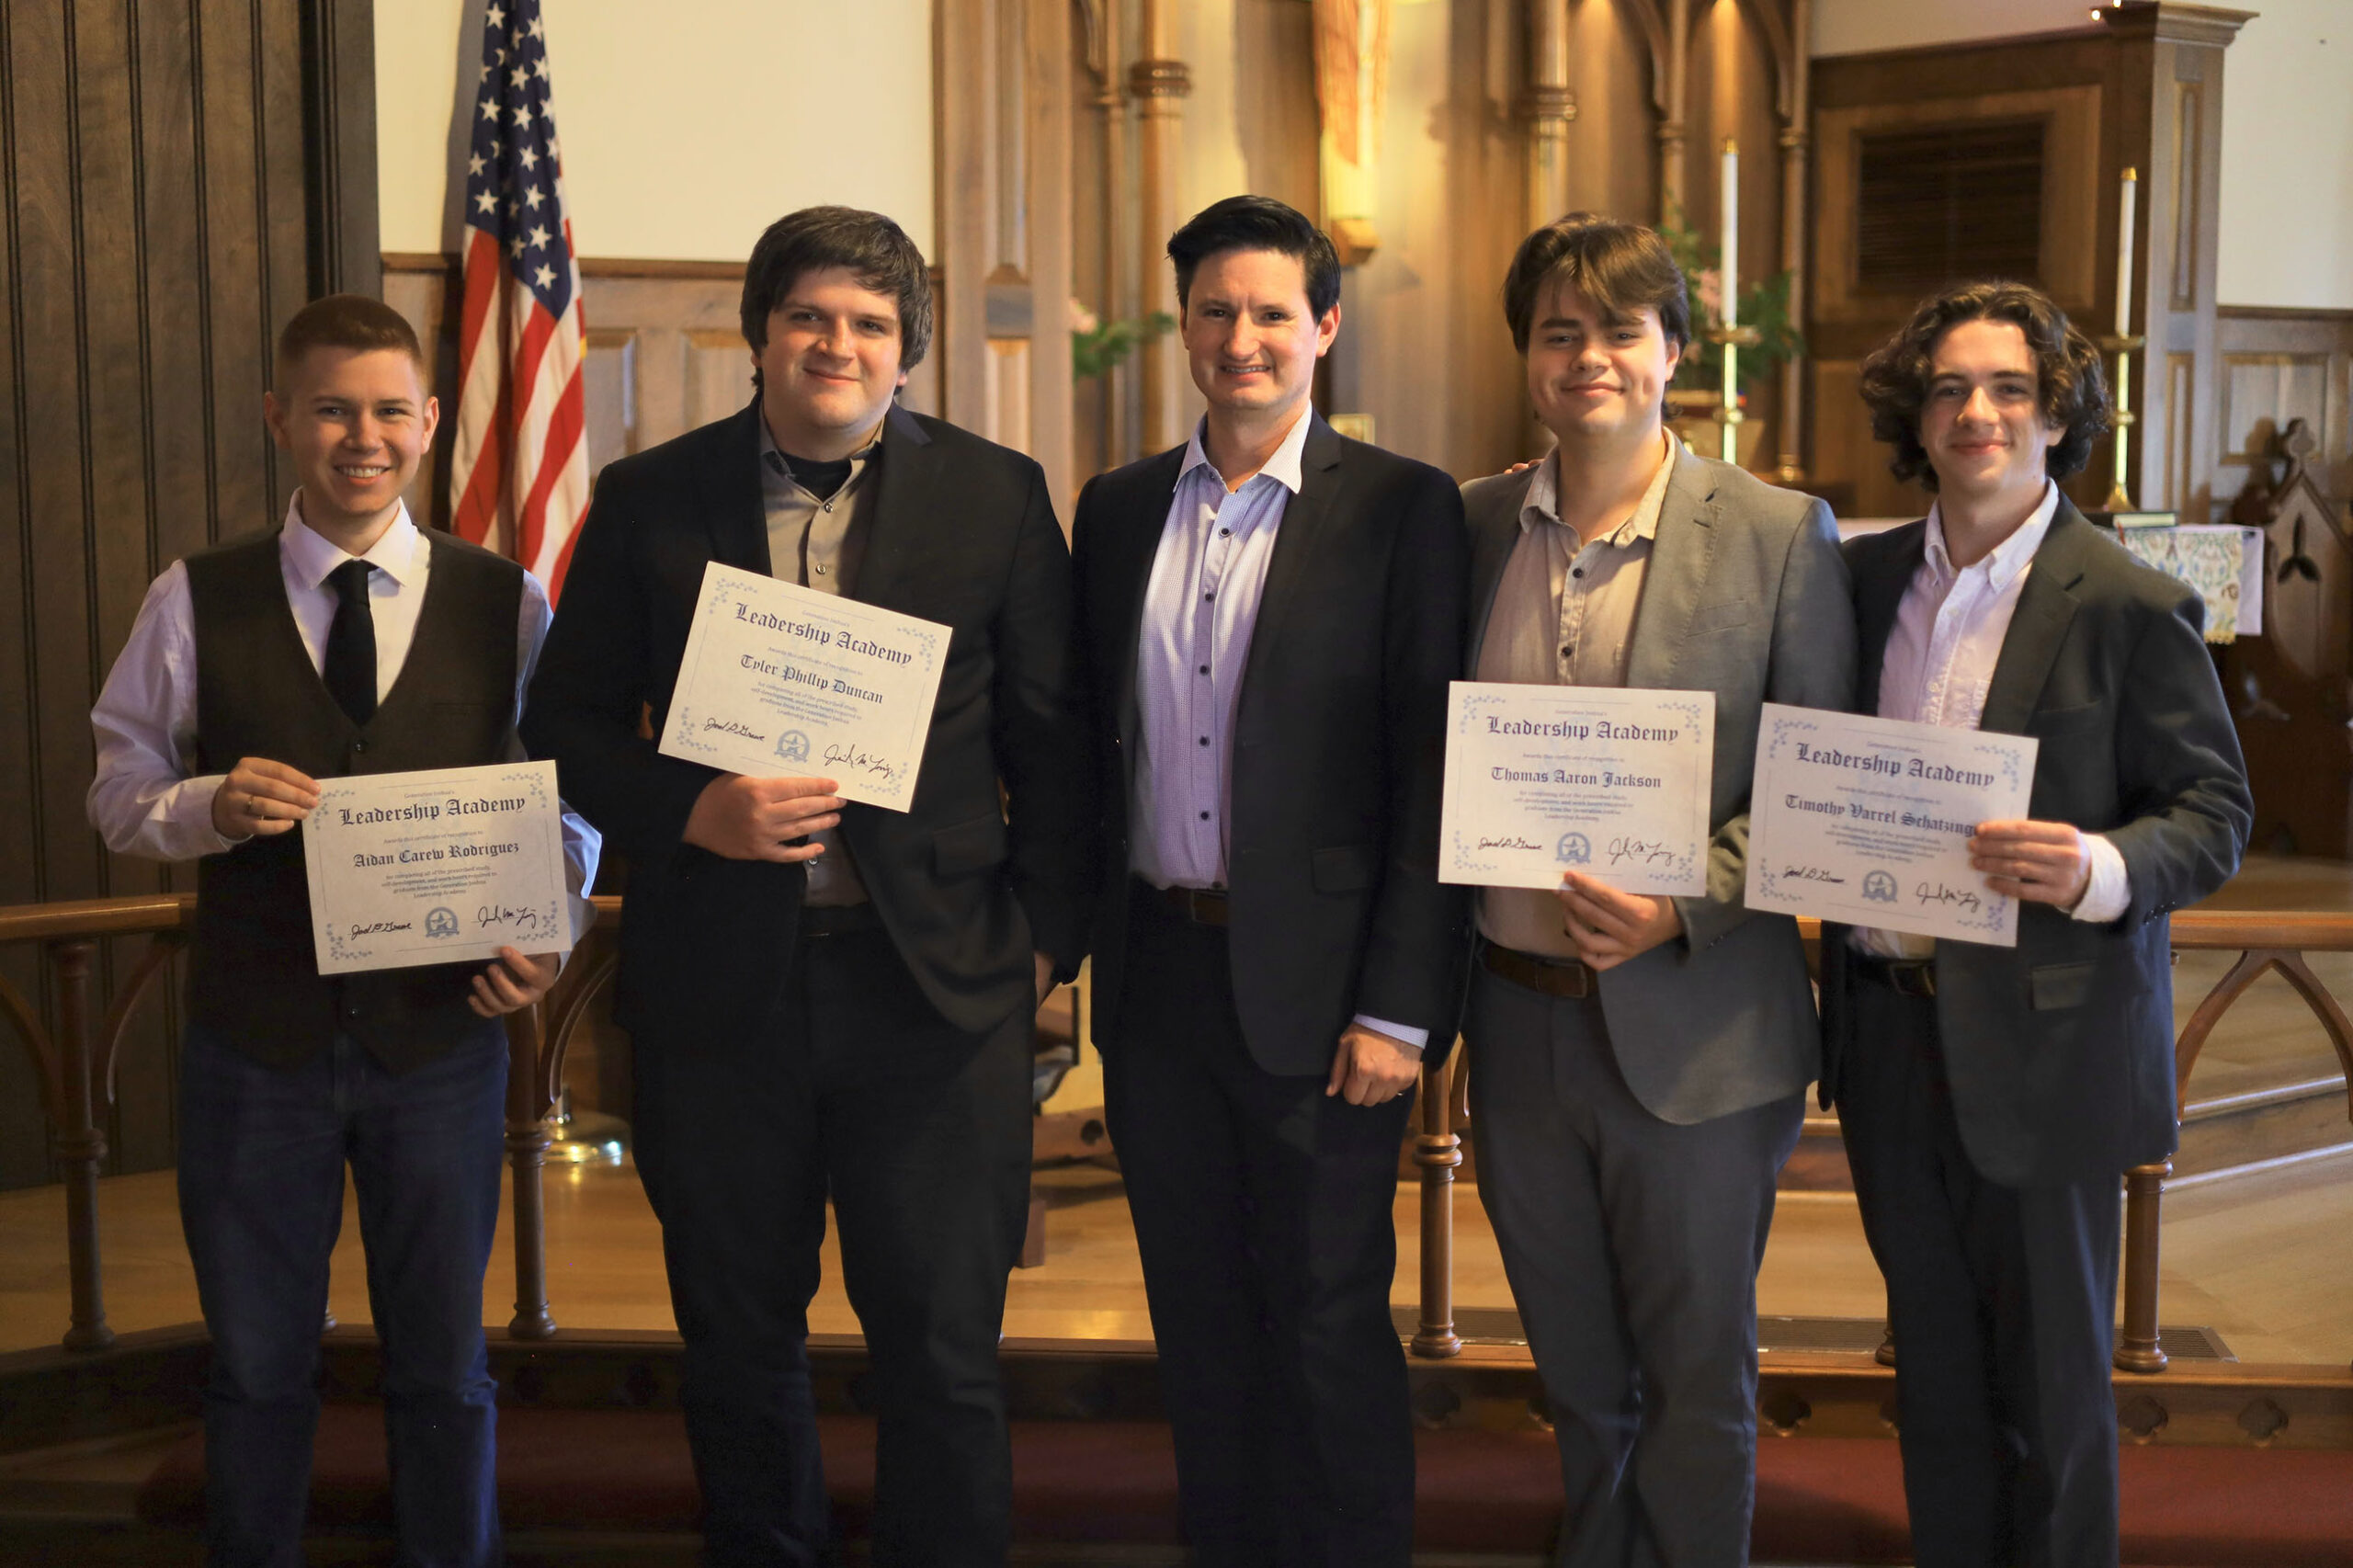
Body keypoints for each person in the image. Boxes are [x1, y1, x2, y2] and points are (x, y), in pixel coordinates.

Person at [519, 205, 1093, 1568]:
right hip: (724, 991)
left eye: (871, 326)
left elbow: (1059, 743)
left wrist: (1044, 947)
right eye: (811, 317)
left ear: (908, 356)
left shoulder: (996, 494)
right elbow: (570, 721)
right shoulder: (651, 495)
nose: (838, 343)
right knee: (735, 1336)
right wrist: (692, 808)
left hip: (935, 991)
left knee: (943, 1347)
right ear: (761, 334)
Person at [85, 293, 598, 1568]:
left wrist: (551, 923)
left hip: (440, 1046)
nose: (359, 436)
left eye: (385, 410)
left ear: (428, 423)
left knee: (445, 1363)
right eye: (330, 408)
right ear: (281, 419)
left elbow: (570, 793)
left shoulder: (507, 597)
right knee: (257, 1368)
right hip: (255, 1048)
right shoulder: (194, 596)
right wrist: (210, 802)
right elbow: (115, 791)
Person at [1824, 280, 2249, 1568]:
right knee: (1937, 1376)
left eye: (2011, 388)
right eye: (1950, 388)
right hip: (1892, 1036)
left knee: (2056, 1392)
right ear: (1919, 414)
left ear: (2058, 413)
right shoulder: (1856, 579)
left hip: (2052, 1039)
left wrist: (2096, 865)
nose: (1979, 412)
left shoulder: (2126, 598)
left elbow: (2213, 811)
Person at [1069, 194, 1468, 1567]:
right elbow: (1082, 747)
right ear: (1182, 325)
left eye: (1273, 313)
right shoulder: (1118, 508)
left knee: (1326, 1322)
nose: (1244, 338)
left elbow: (1432, 768)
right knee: (1196, 1315)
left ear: (1325, 328)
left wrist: (1402, 1006)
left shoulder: (1405, 509)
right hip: (1161, 981)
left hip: (1328, 998)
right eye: (1217, 310)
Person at [1456, 213, 1854, 1567]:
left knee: (1695, 1377)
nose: (1590, 357)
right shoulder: (1466, 528)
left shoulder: (1777, 534)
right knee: (1573, 1370)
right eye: (1559, 330)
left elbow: (1818, 786)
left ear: (1672, 349)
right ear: (1527, 353)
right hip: (1517, 1022)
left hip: (1695, 1023)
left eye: (1620, 329)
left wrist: (1687, 901)